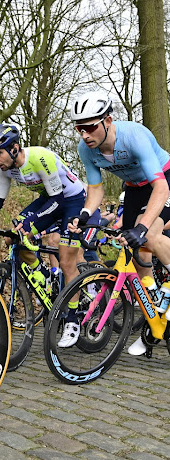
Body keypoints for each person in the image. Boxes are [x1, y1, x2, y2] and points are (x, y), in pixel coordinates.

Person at [0, 123, 89, 347]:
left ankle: (72, 319)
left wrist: (31, 221)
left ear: (14, 148)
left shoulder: (41, 158)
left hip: (71, 199)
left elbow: (58, 200)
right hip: (49, 198)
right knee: (12, 237)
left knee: (66, 259)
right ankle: (42, 274)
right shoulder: (6, 168)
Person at [66, 91, 170, 355]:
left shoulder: (134, 136)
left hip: (162, 180)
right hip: (134, 188)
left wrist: (143, 226)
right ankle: (154, 321)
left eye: (89, 127)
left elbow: (160, 187)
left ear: (108, 121)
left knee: (149, 236)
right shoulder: (85, 149)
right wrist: (85, 215)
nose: (84, 134)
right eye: (79, 128)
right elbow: (96, 189)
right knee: (133, 251)